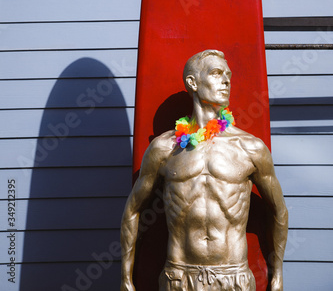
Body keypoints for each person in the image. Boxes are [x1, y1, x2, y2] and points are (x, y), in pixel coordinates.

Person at [120, 49, 288, 290]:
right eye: (217, 73)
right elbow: (133, 210)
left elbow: (279, 211)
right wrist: (125, 278)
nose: (227, 80)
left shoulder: (250, 148)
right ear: (193, 82)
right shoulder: (165, 149)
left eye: (228, 75)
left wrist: (277, 274)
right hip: (178, 277)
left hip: (233, 277)